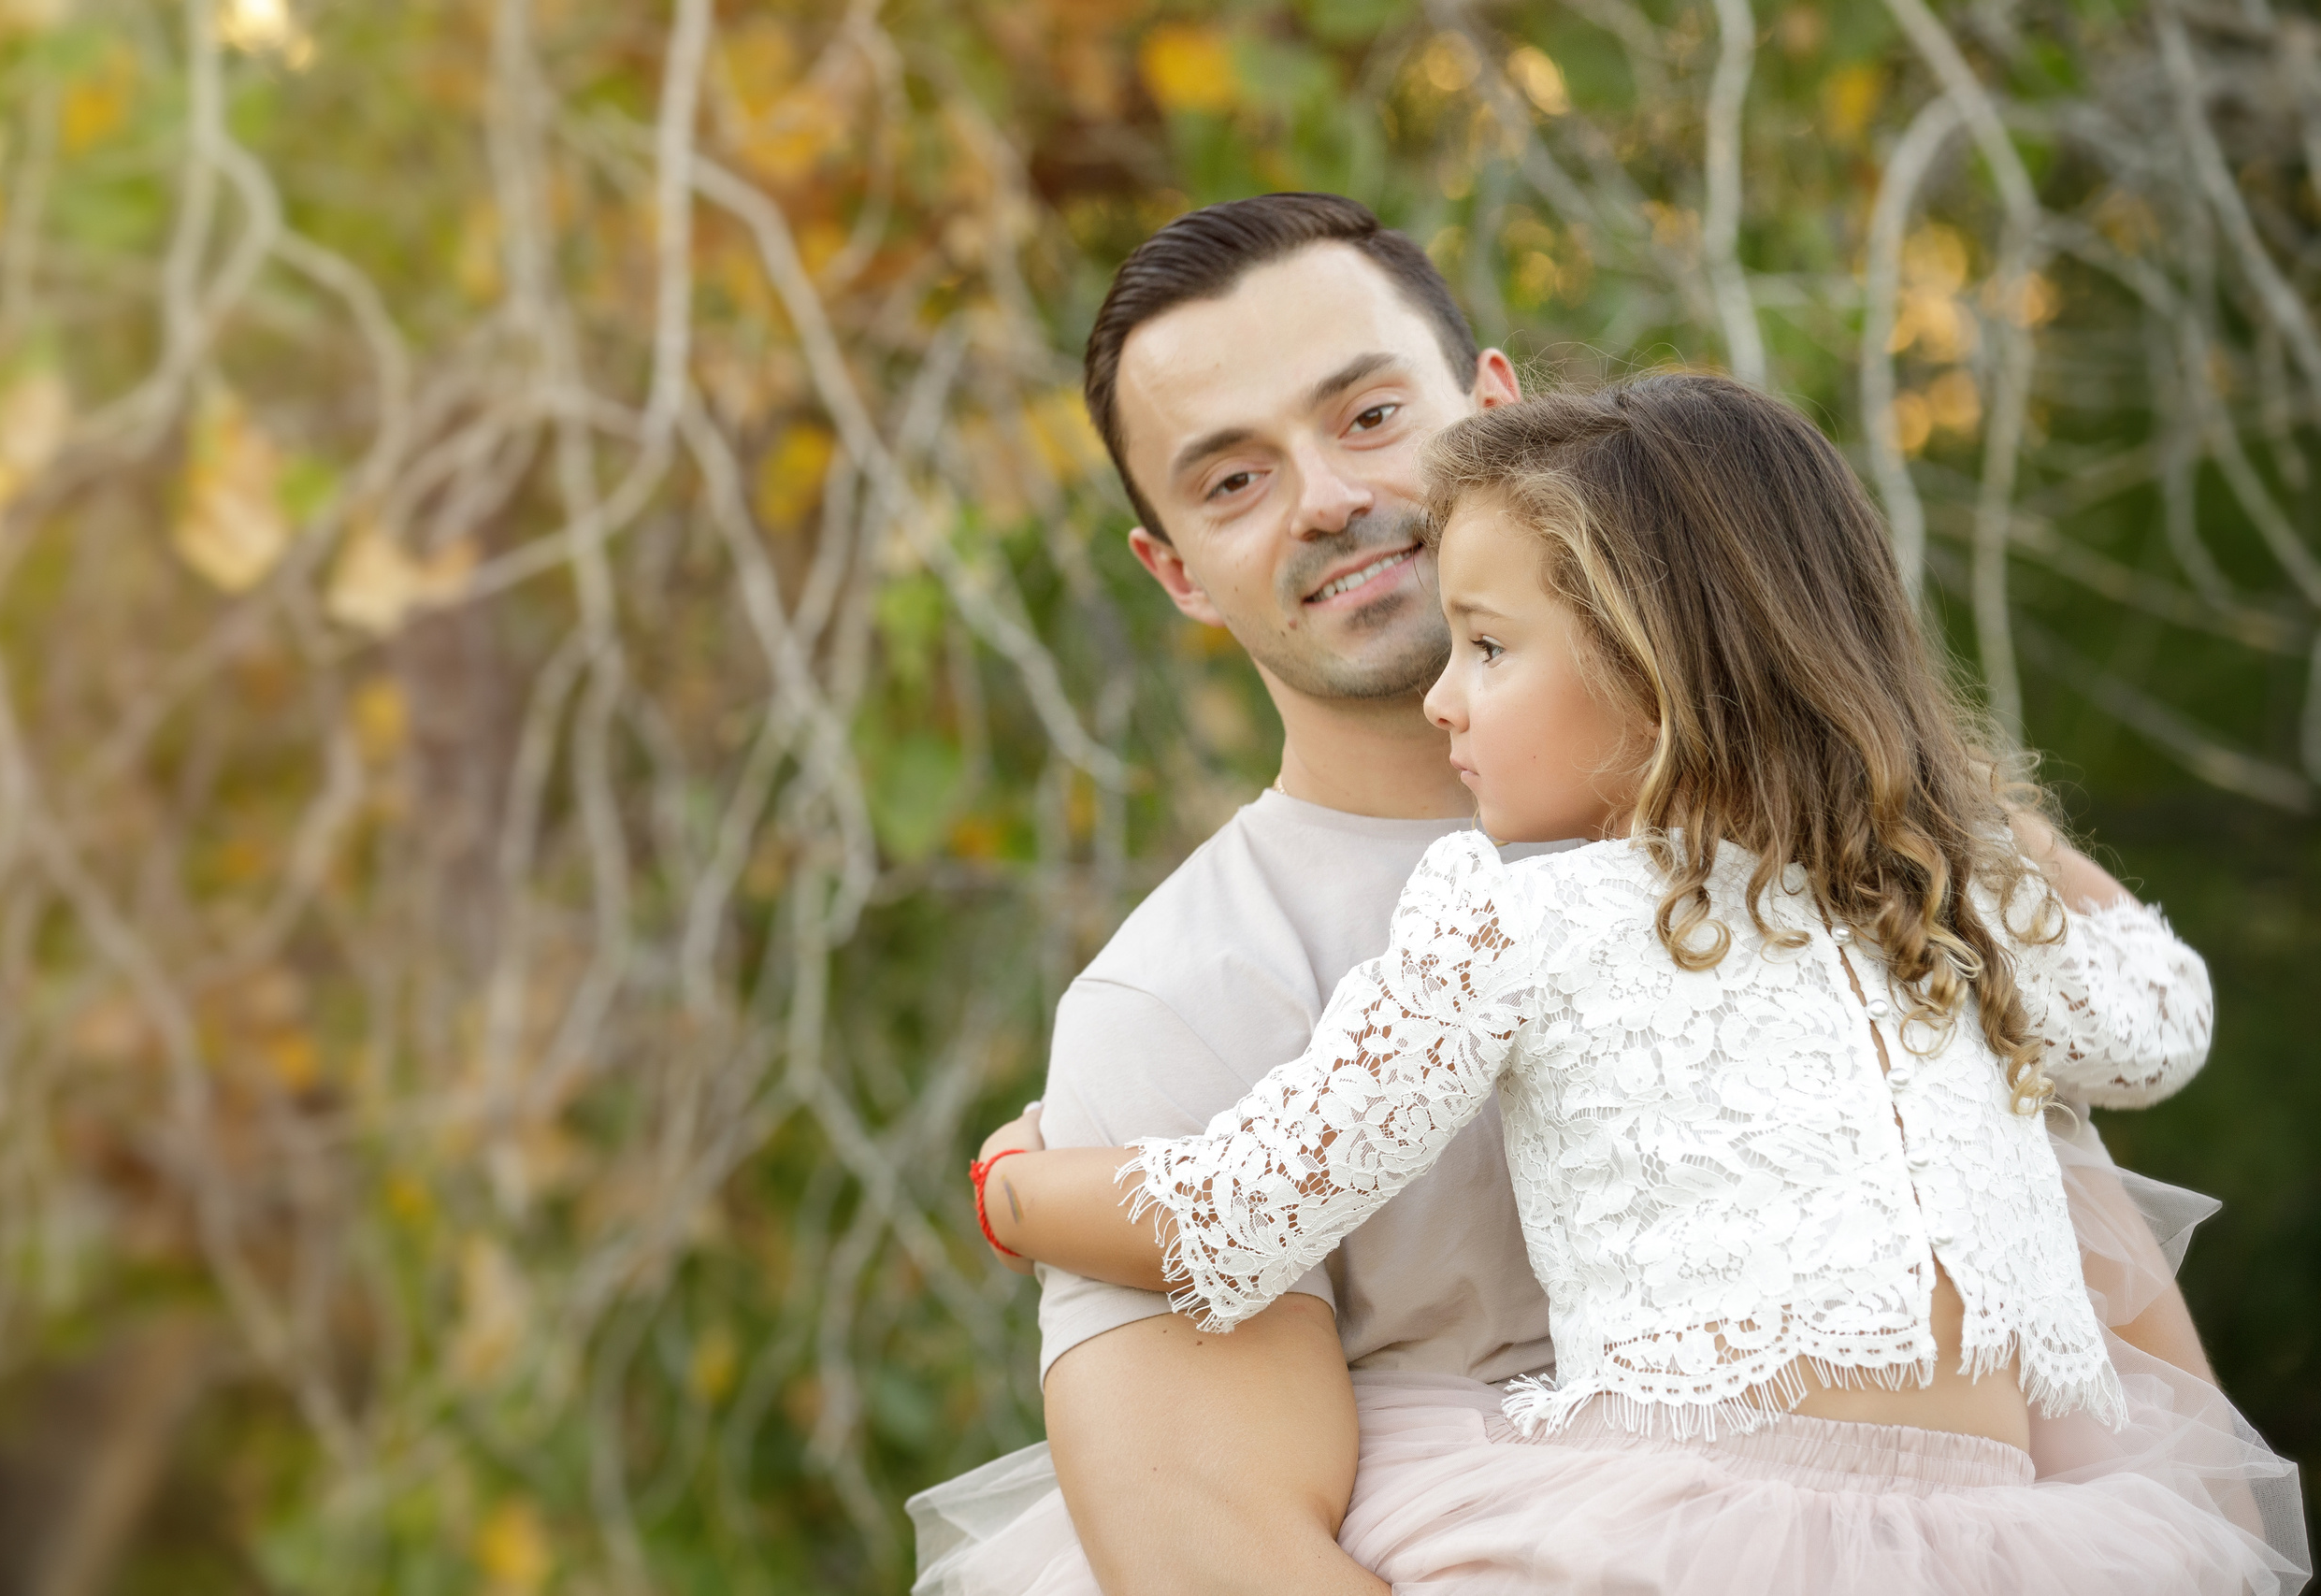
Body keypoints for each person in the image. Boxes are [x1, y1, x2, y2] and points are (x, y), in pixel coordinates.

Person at [904, 194, 2258, 1595]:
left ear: (1501, 418)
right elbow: (1221, 1560)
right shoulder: (1186, 994)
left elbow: (2139, 1376)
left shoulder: (1876, 865)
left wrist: (1934, 787)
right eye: (1233, 480)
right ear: (1176, 571)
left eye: (1370, 416)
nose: (1326, 499)